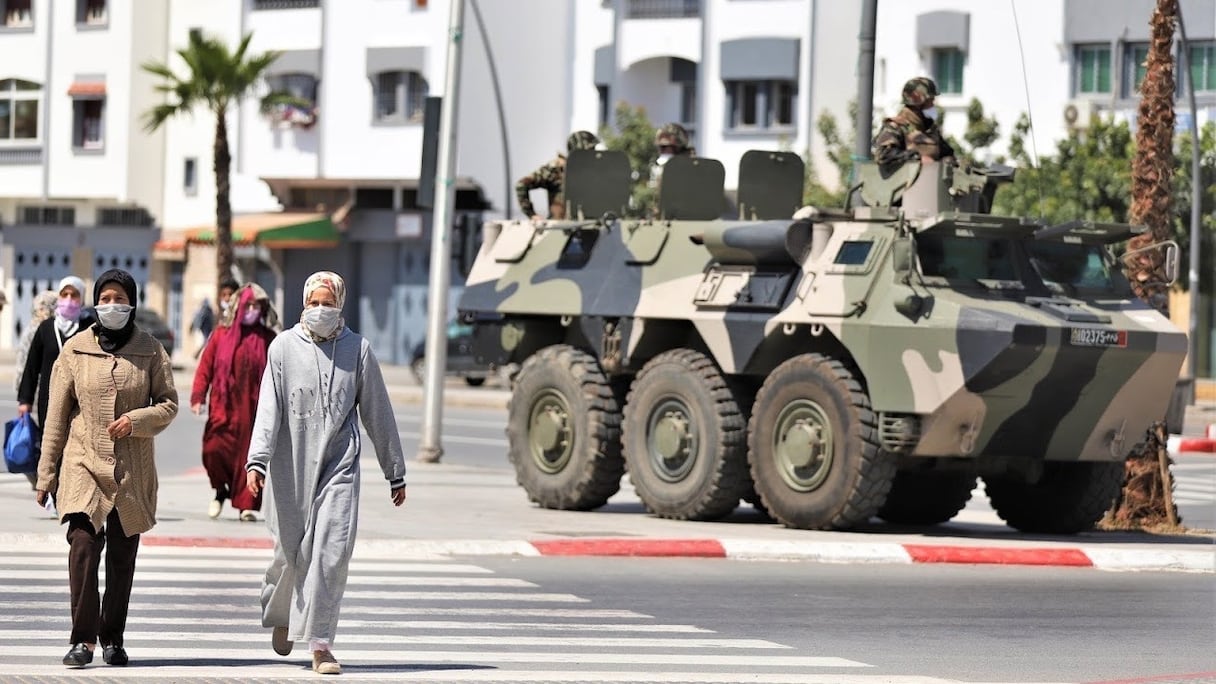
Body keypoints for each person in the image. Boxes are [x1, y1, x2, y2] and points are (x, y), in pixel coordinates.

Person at [246, 271, 406, 676]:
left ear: (340, 303)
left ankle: (321, 645)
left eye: (328, 302)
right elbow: (269, 407)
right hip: (290, 465)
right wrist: (257, 460)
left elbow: (377, 413)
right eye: (314, 302)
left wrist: (395, 471)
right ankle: (284, 612)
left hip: (339, 464)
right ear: (303, 303)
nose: (320, 309)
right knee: (290, 553)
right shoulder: (282, 348)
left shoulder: (358, 350)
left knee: (331, 554)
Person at [34, 269, 178, 669]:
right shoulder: (75, 350)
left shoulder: (150, 350)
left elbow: (168, 403)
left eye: (120, 299)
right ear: (96, 302)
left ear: (131, 303)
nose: (113, 306)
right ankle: (83, 640)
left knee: (121, 556)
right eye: (106, 298)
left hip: (131, 470)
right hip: (83, 463)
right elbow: (57, 419)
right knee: (82, 546)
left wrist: (138, 420)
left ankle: (112, 637)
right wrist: (47, 475)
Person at [191, 283, 278, 521]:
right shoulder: (221, 335)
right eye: (247, 305)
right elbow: (205, 368)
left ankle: (247, 505)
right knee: (213, 450)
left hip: (254, 413)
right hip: (224, 408)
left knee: (249, 458)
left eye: (255, 306)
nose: (251, 309)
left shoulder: (270, 339)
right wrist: (198, 396)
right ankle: (221, 490)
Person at [18, 277, 96, 485]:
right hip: (49, 398)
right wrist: (24, 400)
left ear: (82, 298)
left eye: (74, 295)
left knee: (77, 444)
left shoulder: (90, 327)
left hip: (81, 399)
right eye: (65, 295)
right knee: (51, 443)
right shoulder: (46, 328)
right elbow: (31, 367)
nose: (69, 300)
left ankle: (72, 491)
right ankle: (53, 490)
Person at [872, 76, 956, 173]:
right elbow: (884, 155)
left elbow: (947, 154)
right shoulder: (896, 127)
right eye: (930, 101)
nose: (933, 105)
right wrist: (917, 158)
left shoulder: (930, 129)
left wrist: (948, 161)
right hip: (904, 185)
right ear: (918, 103)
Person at [514, 130, 600, 221]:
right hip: (560, 229)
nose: (593, 152)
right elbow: (521, 185)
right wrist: (532, 215)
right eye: (591, 149)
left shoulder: (595, 170)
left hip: (590, 227)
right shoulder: (557, 168)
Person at [648, 122, 695, 213]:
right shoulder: (658, 168)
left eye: (666, 147)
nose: (662, 150)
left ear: (679, 148)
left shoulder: (692, 170)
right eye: (660, 147)